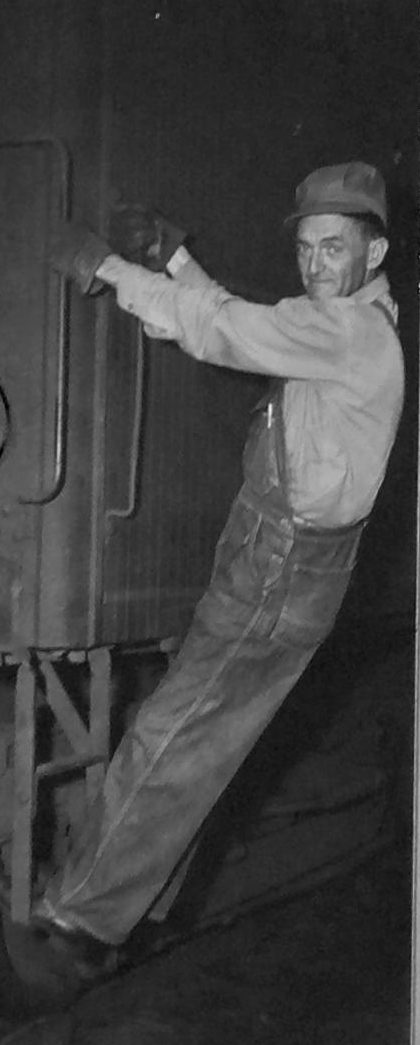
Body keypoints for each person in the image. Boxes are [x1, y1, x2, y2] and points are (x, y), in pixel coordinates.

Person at [35, 161, 404, 983]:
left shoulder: (351, 333)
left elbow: (221, 330)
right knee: (201, 741)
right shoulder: (342, 320)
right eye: (306, 247)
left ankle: (79, 922)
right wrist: (174, 261)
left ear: (372, 251)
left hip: (280, 566)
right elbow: (244, 322)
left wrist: (108, 270)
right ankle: (115, 920)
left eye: (334, 248)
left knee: (173, 732)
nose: (315, 265)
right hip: (284, 560)